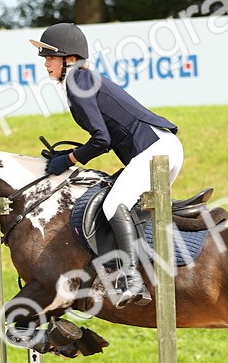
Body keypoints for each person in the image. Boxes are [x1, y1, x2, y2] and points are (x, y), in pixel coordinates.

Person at [30, 22, 183, 307]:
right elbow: (105, 137)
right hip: (161, 148)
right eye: (45, 59)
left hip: (154, 150)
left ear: (70, 59)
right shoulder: (82, 80)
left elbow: (102, 139)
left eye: (51, 57)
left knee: (113, 205)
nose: (46, 64)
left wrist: (70, 159)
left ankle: (131, 279)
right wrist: (74, 154)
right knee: (124, 205)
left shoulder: (78, 81)